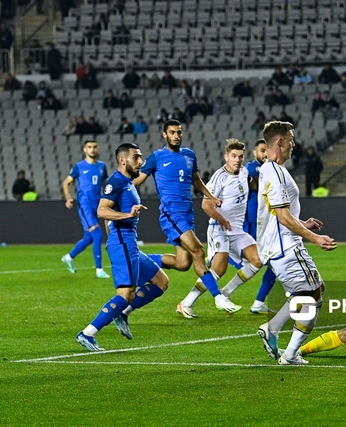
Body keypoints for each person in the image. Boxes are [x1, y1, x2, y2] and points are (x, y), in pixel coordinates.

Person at [134, 120, 239, 313]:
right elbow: (137, 181)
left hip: (187, 212)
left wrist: (211, 196)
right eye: (172, 132)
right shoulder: (157, 157)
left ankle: (142, 260)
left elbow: (196, 180)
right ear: (164, 135)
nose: (176, 136)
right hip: (171, 212)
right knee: (198, 251)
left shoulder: (189, 155)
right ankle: (218, 298)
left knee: (183, 263)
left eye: (179, 132)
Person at [255, 121, 337, 365]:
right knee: (311, 298)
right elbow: (281, 216)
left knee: (315, 291)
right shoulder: (276, 173)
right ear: (279, 142)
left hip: (280, 245)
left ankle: (274, 331)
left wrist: (303, 223)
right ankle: (288, 352)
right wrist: (315, 238)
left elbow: (278, 215)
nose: (294, 143)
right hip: (285, 248)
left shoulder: (270, 170)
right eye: (290, 139)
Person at [75, 143, 169, 351]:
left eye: (141, 157)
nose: (140, 161)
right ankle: (88, 333)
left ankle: (123, 313)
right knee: (126, 294)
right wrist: (127, 216)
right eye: (136, 157)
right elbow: (102, 211)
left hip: (129, 243)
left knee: (161, 281)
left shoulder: (128, 182)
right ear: (122, 160)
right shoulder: (116, 182)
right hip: (122, 241)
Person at [176, 139, 265, 317]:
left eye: (240, 156)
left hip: (237, 230)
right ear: (226, 157)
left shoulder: (245, 172)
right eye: (233, 156)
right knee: (219, 269)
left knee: (257, 260)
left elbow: (251, 184)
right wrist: (221, 218)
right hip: (219, 228)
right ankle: (186, 303)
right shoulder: (219, 177)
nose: (237, 160)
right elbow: (205, 205)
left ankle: (225, 292)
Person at [61, 140, 110, 279]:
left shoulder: (102, 166)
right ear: (84, 149)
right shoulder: (79, 167)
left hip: (97, 203)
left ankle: (69, 257)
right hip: (85, 205)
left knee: (89, 237)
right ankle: (99, 269)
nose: (92, 149)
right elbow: (66, 182)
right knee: (98, 234)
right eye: (89, 147)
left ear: (98, 148)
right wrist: (68, 197)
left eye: (94, 147)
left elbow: (105, 183)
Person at [240, 139, 278, 314]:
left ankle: (258, 302)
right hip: (254, 222)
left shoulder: (273, 169)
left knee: (272, 263)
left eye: (267, 150)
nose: (265, 154)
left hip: (267, 222)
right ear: (255, 153)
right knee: (266, 262)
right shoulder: (251, 168)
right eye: (262, 150)